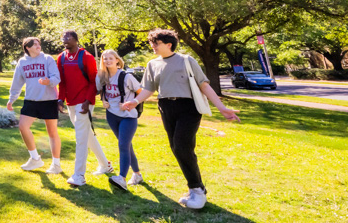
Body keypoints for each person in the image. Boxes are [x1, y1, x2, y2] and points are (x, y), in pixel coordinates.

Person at [121, 28, 241, 210]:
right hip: (166, 107)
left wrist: (222, 108)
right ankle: (195, 187)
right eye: (151, 43)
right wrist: (135, 101)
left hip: (188, 108)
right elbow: (149, 88)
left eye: (156, 43)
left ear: (168, 44)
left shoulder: (186, 60)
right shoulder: (152, 64)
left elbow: (204, 85)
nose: (152, 46)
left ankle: (197, 190)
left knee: (182, 145)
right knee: (176, 148)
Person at [57, 30, 112, 186]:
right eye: (63, 38)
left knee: (80, 138)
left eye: (68, 37)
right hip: (70, 102)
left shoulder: (86, 57)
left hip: (84, 102)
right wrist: (60, 99)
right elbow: (62, 81)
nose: (65, 40)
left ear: (76, 40)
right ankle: (105, 165)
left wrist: (88, 101)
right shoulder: (61, 58)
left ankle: (79, 175)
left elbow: (92, 81)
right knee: (86, 135)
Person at [7, 37, 63, 173]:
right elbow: (17, 82)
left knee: (52, 132)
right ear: (27, 47)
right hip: (31, 100)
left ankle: (56, 165)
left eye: (39, 44)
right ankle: (35, 159)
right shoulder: (22, 62)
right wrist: (11, 99)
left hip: (48, 100)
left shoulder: (48, 59)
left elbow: (57, 77)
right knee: (22, 127)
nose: (38, 46)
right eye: (35, 44)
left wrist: (48, 81)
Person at [96, 49, 142, 191]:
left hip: (128, 117)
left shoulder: (126, 76)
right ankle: (137, 174)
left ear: (117, 60)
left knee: (123, 145)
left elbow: (141, 93)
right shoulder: (102, 76)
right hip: (112, 115)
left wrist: (131, 103)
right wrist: (103, 100)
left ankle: (122, 178)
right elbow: (100, 92)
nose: (107, 61)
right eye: (105, 58)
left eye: (110, 58)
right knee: (126, 145)